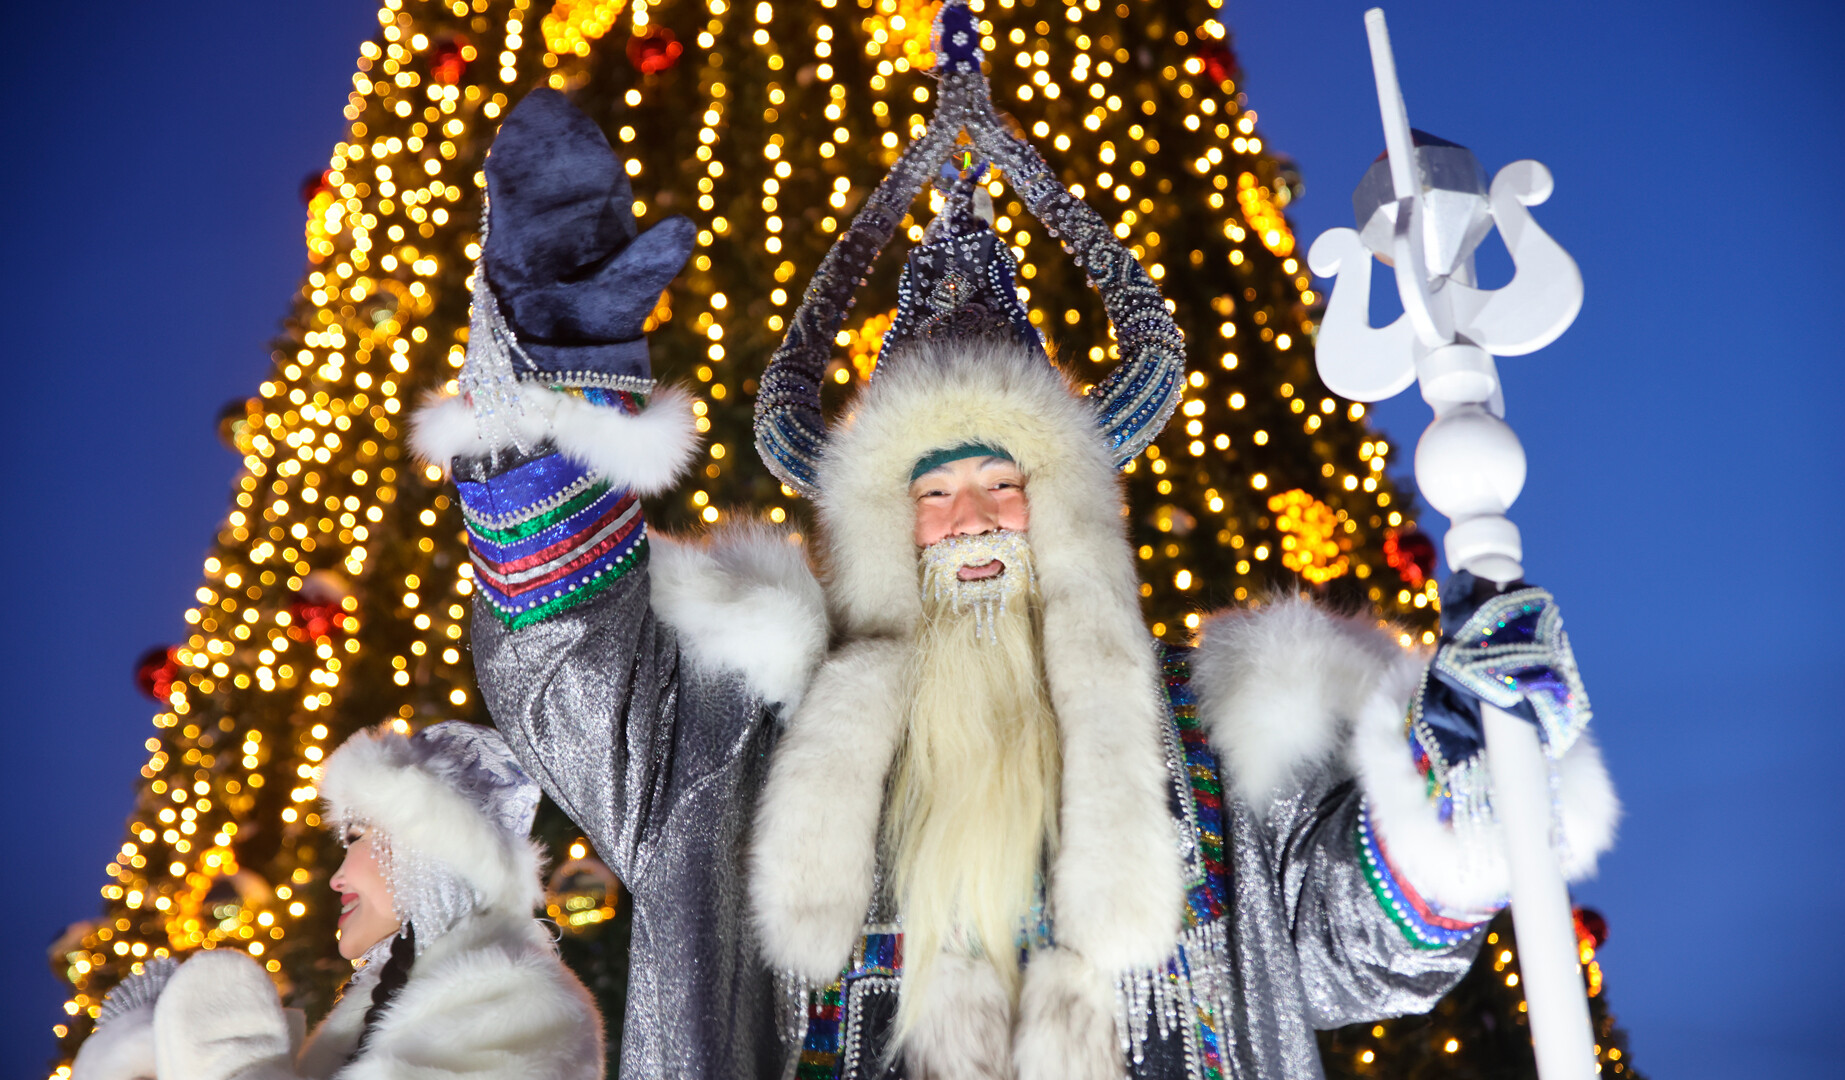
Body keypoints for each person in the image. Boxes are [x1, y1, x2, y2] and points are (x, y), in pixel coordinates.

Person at [417, 9, 1618, 1078]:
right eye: (935, 495)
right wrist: (555, 400)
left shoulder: (1206, 763)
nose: (977, 521)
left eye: (1007, 482)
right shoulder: (735, 752)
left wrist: (1461, 766)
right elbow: (568, 661)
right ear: (886, 529)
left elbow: (1357, 955)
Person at [71, 721, 604, 1080]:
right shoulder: (382, 1001)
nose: (338, 878)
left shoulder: (519, 1003)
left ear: (429, 848)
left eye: (356, 839)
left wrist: (221, 1044)